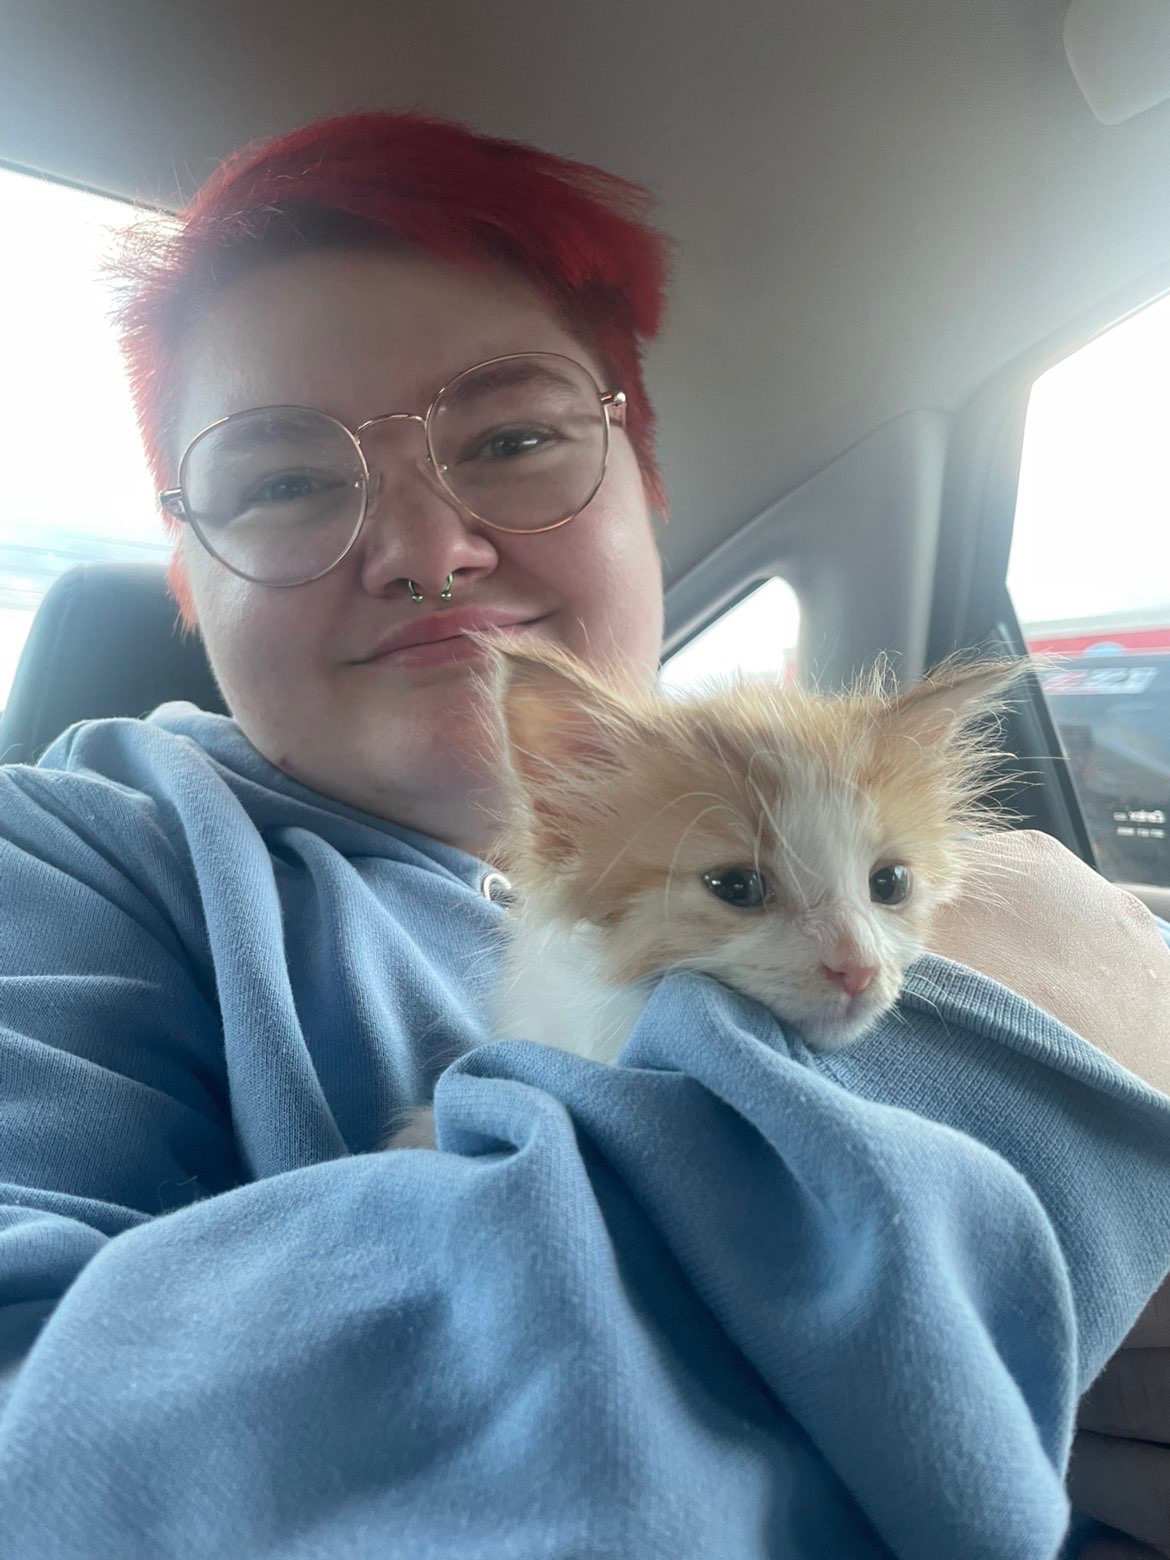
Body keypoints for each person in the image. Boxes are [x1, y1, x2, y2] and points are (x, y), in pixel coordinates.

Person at [0, 110, 1167, 1559]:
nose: (429, 552)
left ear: (647, 482)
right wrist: (1004, 1077)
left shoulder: (838, 801)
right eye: (286, 480)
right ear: (184, 562)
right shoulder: (61, 863)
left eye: (512, 439)